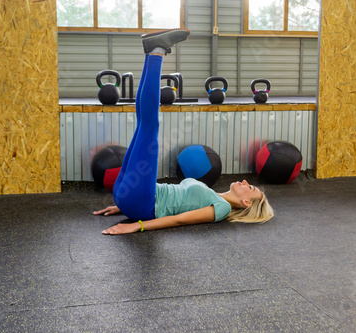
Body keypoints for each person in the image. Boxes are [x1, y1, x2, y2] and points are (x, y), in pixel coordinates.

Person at [94, 28, 274, 235]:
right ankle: (151, 52)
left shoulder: (222, 208)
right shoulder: (214, 195)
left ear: (245, 202)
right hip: (134, 198)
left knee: (149, 126)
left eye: (249, 188)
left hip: (143, 204)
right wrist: (123, 207)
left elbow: (179, 220)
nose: (245, 182)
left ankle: (156, 51)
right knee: (144, 122)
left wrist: (137, 224)